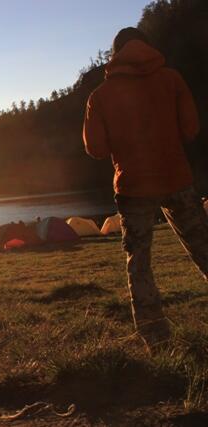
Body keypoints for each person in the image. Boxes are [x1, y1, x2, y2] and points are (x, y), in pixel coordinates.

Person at [83, 27, 207, 352]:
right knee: (204, 248)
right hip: (176, 178)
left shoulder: (101, 96)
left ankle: (156, 339)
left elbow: (95, 148)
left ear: (115, 54)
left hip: (133, 187)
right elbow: (191, 129)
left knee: (139, 261)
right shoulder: (172, 80)